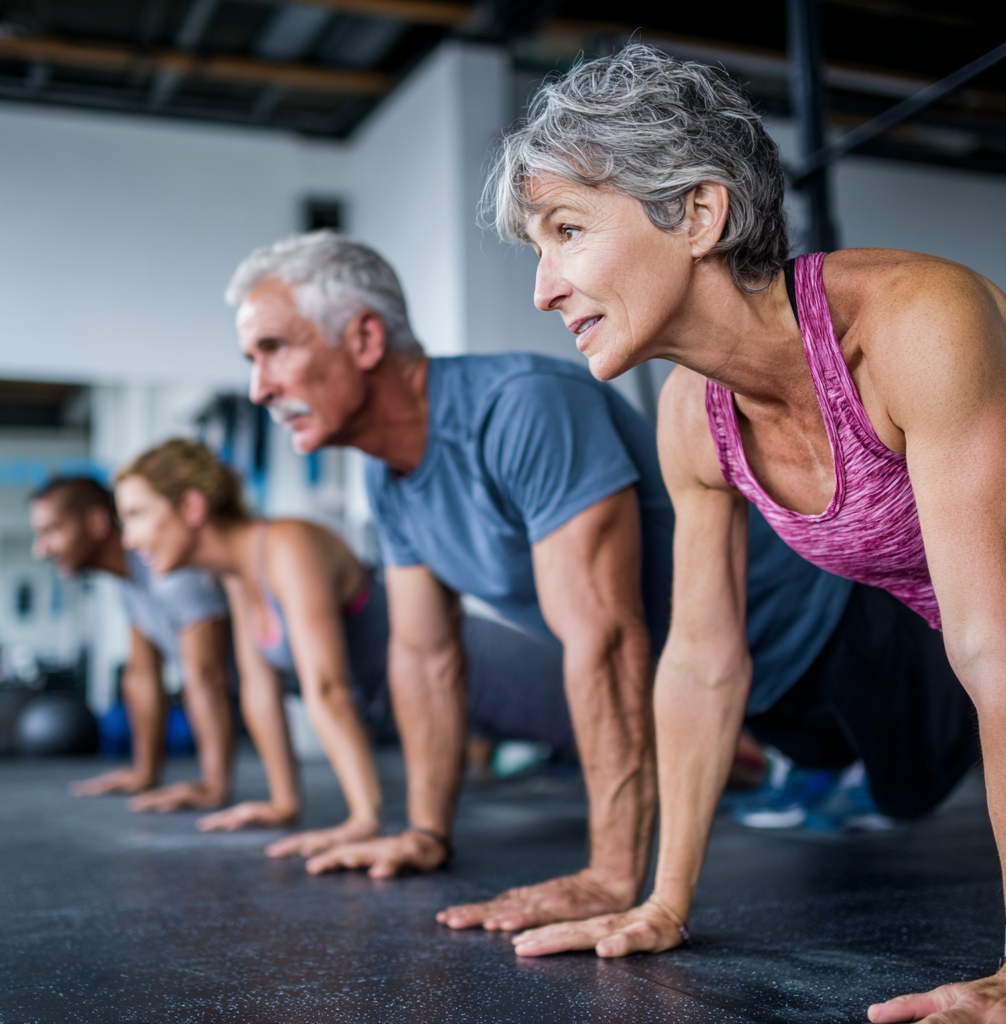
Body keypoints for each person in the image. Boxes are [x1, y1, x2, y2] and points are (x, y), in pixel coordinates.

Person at [486, 43, 1006, 1023]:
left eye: (566, 231)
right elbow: (701, 663)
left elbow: (994, 643)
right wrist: (664, 901)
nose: (544, 288)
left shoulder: (910, 326)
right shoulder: (695, 415)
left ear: (697, 212)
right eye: (537, 248)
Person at [222, 230, 878, 929]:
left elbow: (604, 638)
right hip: (741, 703)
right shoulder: (389, 477)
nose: (260, 387)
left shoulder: (522, 406)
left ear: (364, 339)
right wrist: (424, 831)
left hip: (843, 647)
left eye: (274, 350)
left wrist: (612, 875)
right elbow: (426, 656)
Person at [113, 438, 583, 848]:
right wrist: (282, 802)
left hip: (489, 671)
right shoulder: (235, 577)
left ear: (192, 507)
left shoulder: (286, 545)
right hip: (437, 708)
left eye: (136, 515)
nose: (129, 538)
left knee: (613, 733)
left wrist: (364, 819)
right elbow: (260, 692)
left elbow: (327, 688)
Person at [29, 476, 232, 812]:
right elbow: (143, 675)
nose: (42, 549)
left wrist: (214, 787)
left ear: (96, 522)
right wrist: (145, 772)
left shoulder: (168, 569)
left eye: (52, 531)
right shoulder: (129, 580)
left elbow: (206, 675)